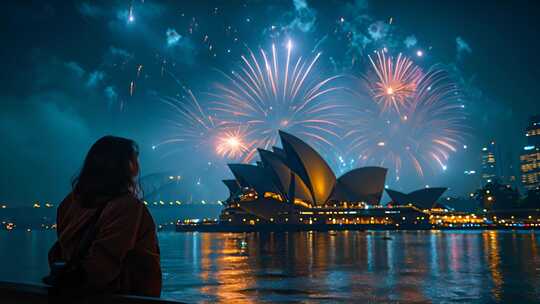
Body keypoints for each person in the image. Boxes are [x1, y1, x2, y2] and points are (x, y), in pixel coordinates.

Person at [47, 136, 162, 297]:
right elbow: (104, 263)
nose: (138, 165)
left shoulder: (69, 204)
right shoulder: (127, 207)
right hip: (124, 296)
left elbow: (59, 252)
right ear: (126, 166)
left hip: (74, 294)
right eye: (135, 159)